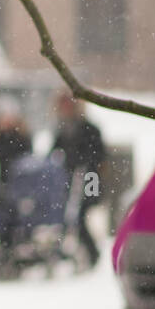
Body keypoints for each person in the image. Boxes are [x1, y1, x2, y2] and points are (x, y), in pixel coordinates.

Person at [49, 92, 106, 267]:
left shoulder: (89, 128)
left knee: (83, 216)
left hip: (88, 178)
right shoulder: (63, 129)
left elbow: (99, 156)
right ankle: (81, 252)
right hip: (71, 179)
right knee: (72, 217)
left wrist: (88, 173)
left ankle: (91, 253)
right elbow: (54, 153)